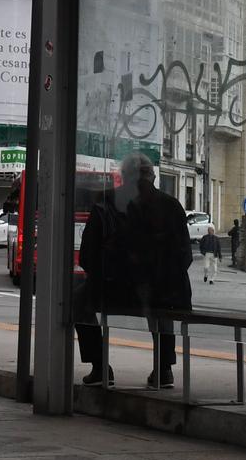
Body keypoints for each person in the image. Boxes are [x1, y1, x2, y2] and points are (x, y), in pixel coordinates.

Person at [74, 152, 191, 390]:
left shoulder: (106, 202)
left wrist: (103, 276)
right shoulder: (172, 206)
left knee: (76, 301)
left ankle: (99, 366)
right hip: (161, 292)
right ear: (152, 176)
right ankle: (164, 369)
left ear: (124, 177)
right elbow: (184, 256)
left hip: (113, 287)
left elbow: (87, 254)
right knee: (162, 306)